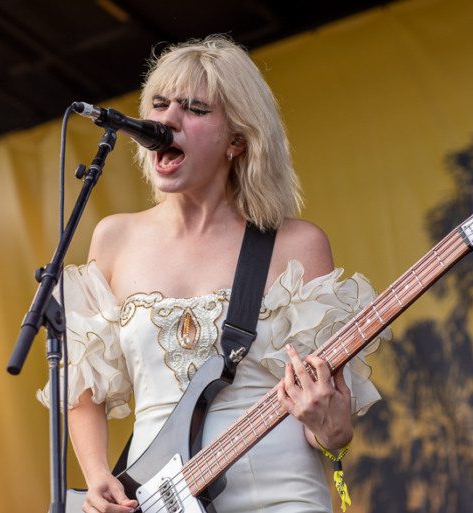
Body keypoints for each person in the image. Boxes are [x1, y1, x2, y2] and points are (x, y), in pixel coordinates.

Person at [38, 35, 388, 513]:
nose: (167, 120)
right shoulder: (115, 239)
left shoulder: (297, 246)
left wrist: (332, 428)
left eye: (195, 109)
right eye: (159, 104)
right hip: (159, 498)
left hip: (280, 496)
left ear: (238, 140)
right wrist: (98, 475)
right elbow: (83, 387)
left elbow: (331, 421)